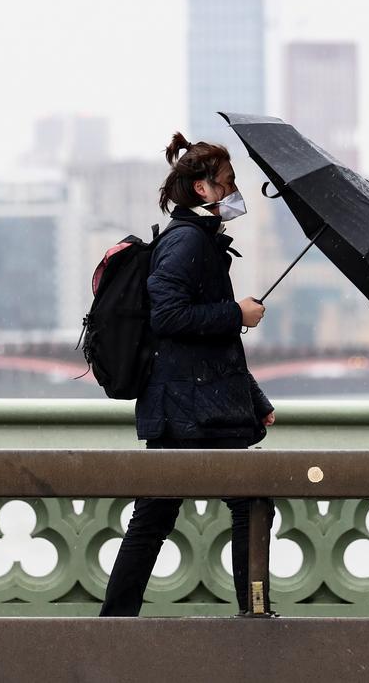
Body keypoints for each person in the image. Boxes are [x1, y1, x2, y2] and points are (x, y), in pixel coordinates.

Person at [99, 132, 276, 617]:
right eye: (228, 183)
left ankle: (114, 621)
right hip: (189, 408)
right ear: (203, 188)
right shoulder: (186, 242)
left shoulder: (200, 240)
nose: (234, 192)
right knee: (249, 502)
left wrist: (256, 402)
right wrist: (237, 313)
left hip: (189, 402)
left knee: (156, 514)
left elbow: (213, 351)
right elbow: (168, 318)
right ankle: (253, 614)